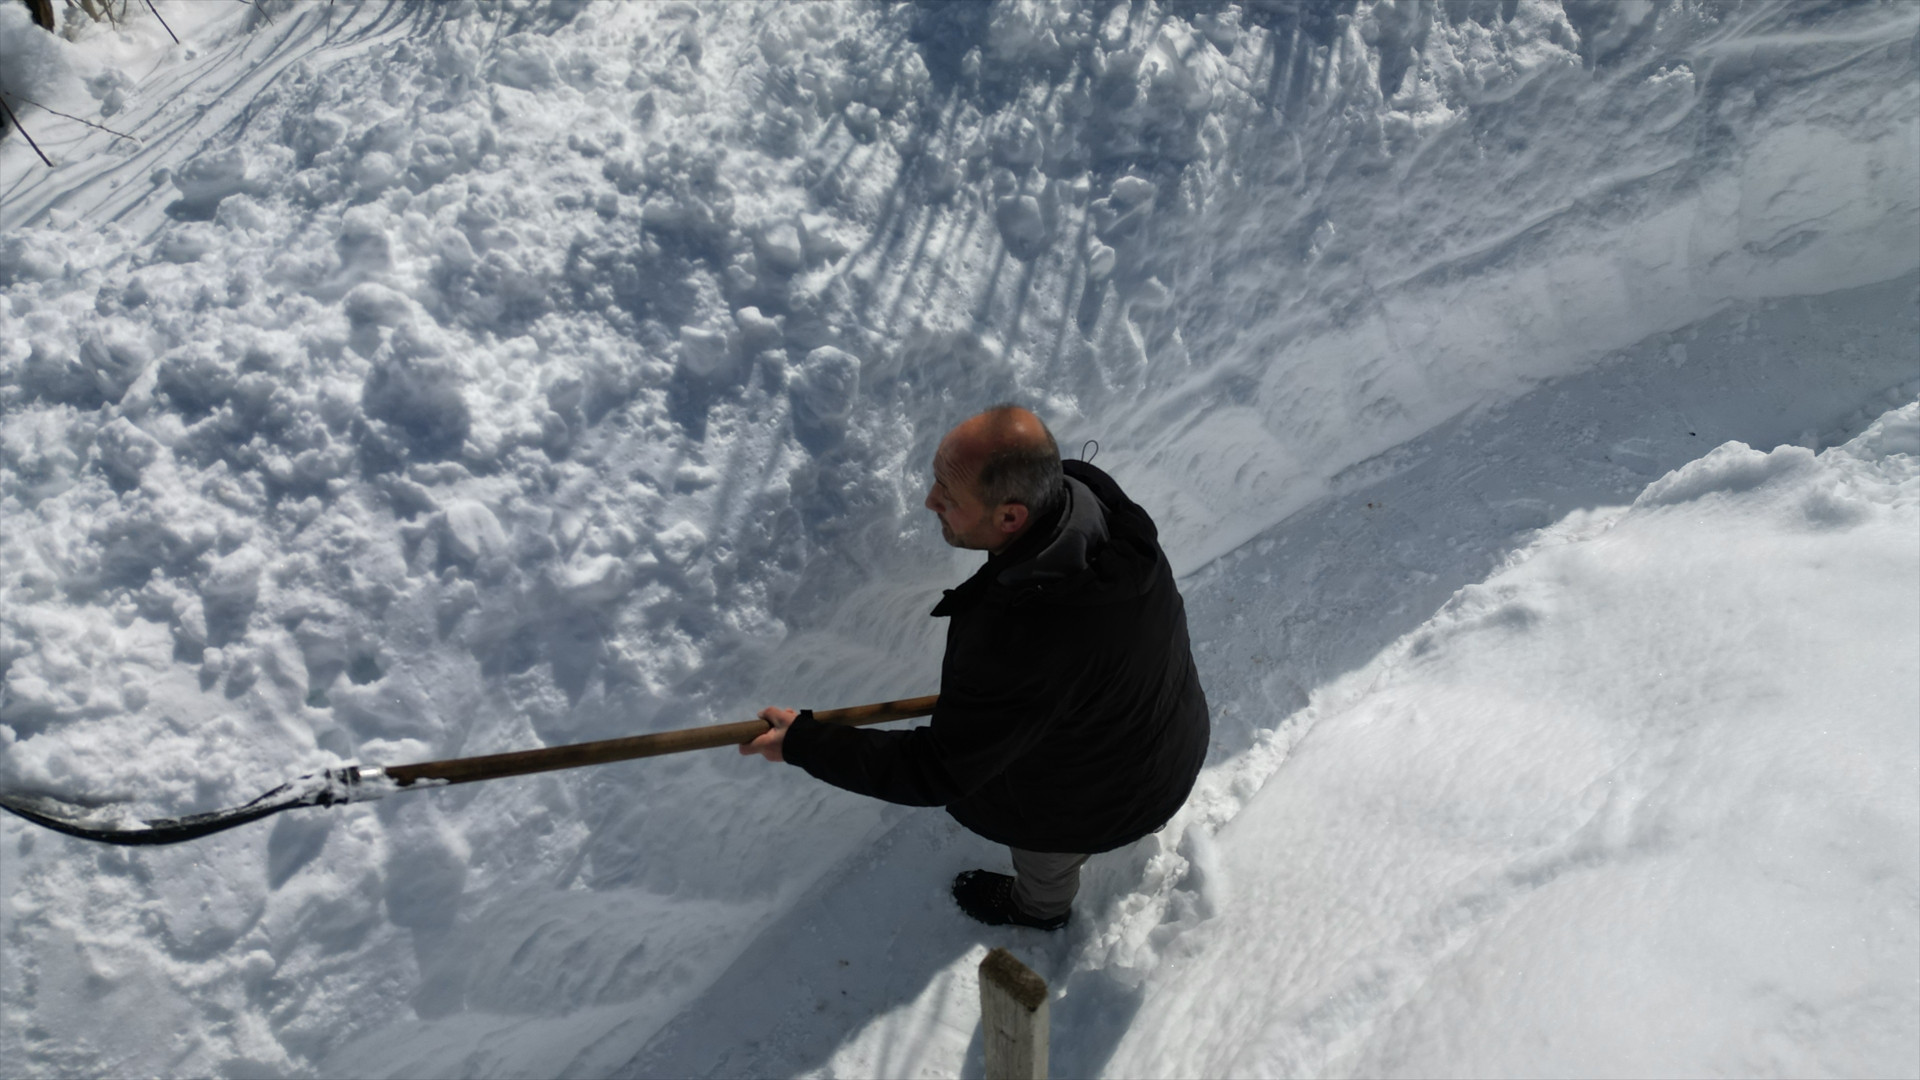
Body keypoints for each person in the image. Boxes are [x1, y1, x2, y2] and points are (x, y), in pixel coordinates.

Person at [741, 405, 1210, 930]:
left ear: (1012, 517)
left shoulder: (1031, 639)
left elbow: (935, 770)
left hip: (1108, 795)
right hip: (1167, 729)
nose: (929, 500)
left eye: (948, 494)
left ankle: (1038, 910)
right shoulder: (1092, 501)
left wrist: (803, 742)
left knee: (1047, 855)